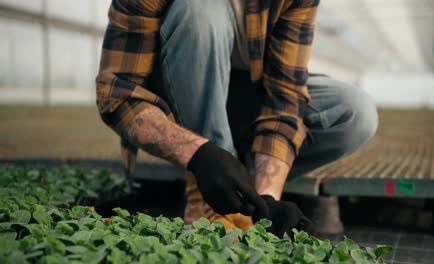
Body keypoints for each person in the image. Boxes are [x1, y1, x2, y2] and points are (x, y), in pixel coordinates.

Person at [96, 0, 378, 236]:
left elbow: (284, 97)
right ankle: (208, 194)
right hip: (175, 99)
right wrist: (199, 154)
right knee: (199, 10)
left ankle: (239, 190)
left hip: (244, 96)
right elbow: (117, 94)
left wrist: (265, 198)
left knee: (353, 111)